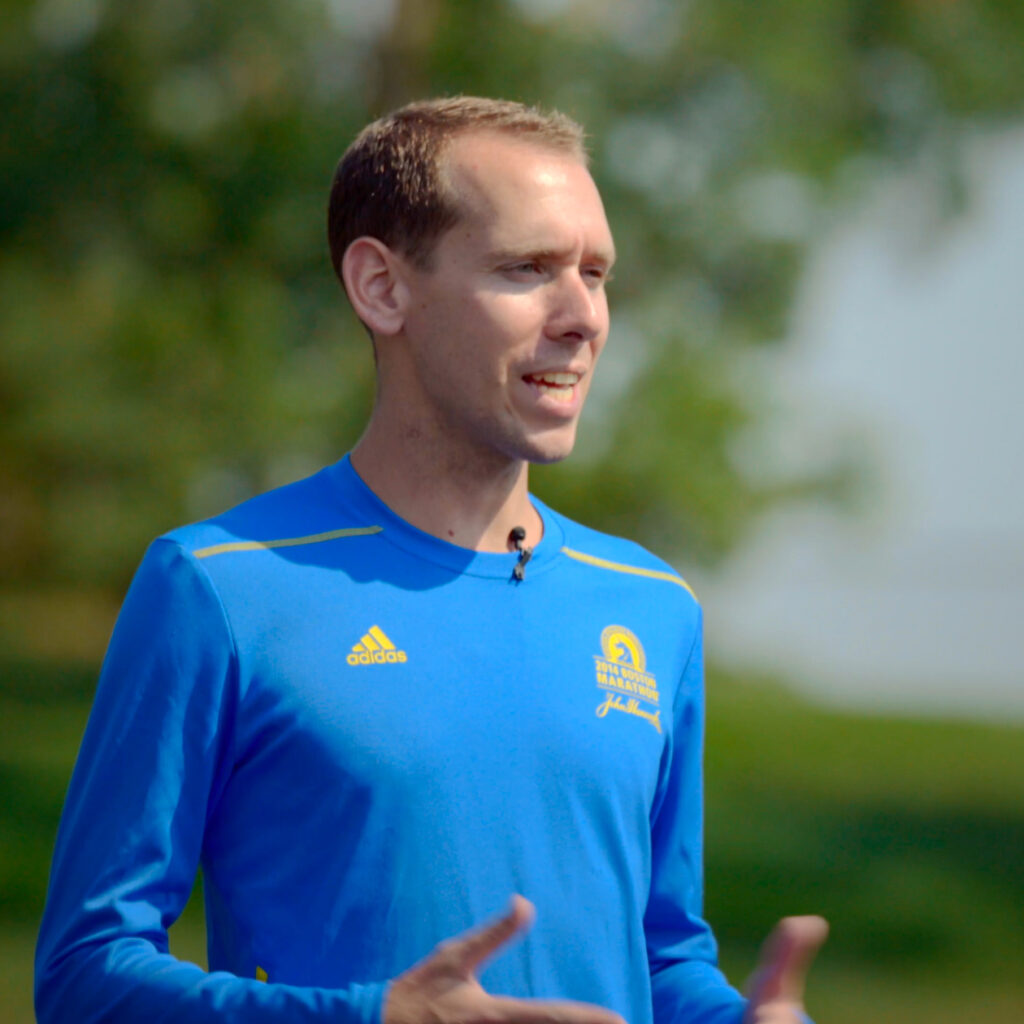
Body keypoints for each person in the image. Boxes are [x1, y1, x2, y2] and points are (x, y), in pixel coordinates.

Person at [36, 97, 827, 1024]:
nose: (582, 316)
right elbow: (87, 976)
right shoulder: (218, 586)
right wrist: (371, 1018)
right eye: (527, 269)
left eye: (597, 273)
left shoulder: (653, 606)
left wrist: (748, 1020)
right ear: (381, 288)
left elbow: (658, 959)